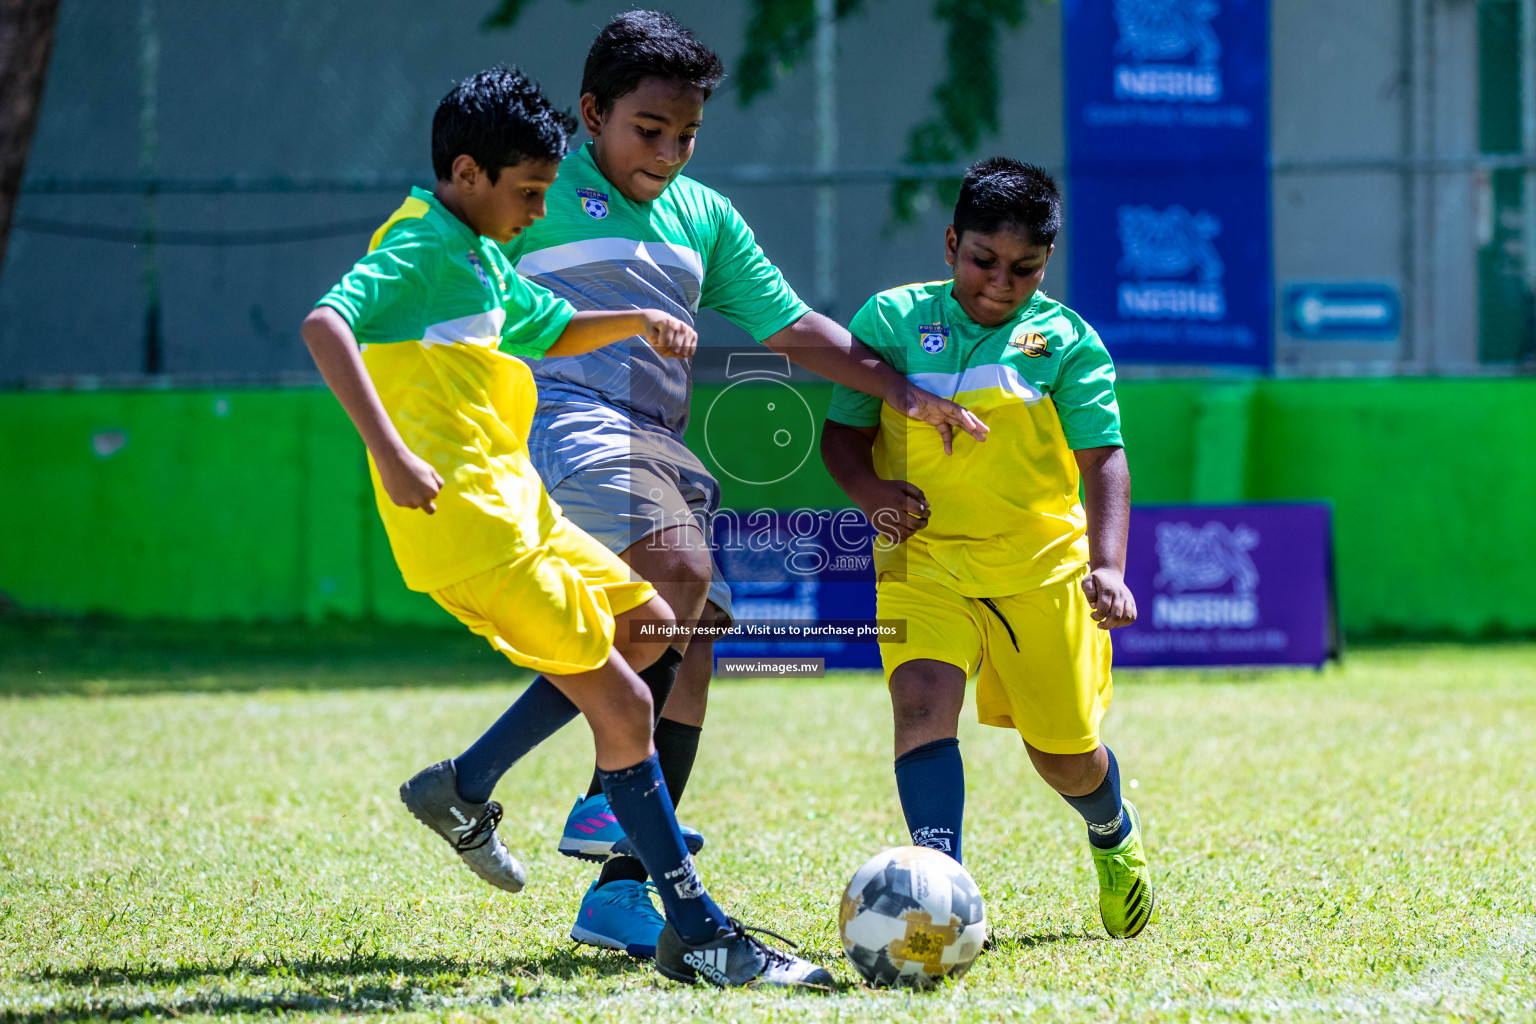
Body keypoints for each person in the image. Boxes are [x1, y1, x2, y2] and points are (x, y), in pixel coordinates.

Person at [442, 10, 987, 957]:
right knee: (678, 576)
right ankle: (582, 803)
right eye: (647, 130)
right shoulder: (532, 188)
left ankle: (610, 886)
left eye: (686, 134)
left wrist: (901, 389)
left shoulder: (703, 216)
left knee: (693, 646)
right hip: (560, 421)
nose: (667, 152)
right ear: (591, 113)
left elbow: (795, 328)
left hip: (655, 439)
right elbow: (444, 274)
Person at [301, 65, 830, 987]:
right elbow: (325, 325)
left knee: (663, 627)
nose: (542, 212)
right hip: (470, 525)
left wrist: (641, 321)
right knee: (626, 704)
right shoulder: (421, 244)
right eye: (531, 193)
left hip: (520, 514)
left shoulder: (479, 254)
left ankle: (464, 786)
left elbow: (547, 327)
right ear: (467, 174)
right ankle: (695, 926)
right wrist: (388, 453)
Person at [819, 158, 1155, 939]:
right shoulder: (891, 322)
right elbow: (842, 437)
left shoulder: (1067, 341)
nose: (1000, 283)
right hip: (924, 565)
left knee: (1063, 755)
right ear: (949, 244)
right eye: (983, 260)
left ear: (1047, 264)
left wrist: (1107, 566)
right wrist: (873, 496)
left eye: (1024, 269)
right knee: (922, 706)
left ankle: (1112, 830)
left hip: (1038, 568)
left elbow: (1104, 457)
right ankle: (943, 894)